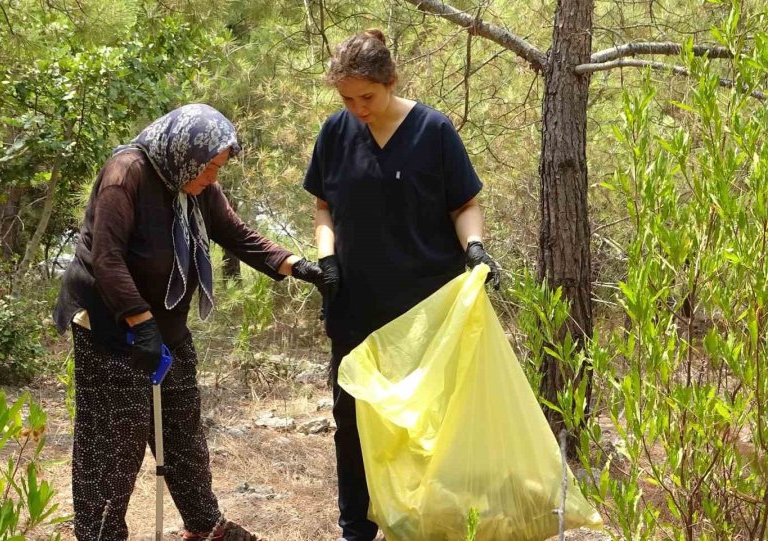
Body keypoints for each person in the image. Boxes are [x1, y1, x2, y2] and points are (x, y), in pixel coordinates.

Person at [53, 104, 325, 541]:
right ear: (187, 154)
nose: (213, 177)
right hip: (109, 326)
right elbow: (106, 258)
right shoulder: (127, 174)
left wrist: (300, 267)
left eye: (218, 168)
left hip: (165, 328)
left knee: (182, 432)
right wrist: (139, 322)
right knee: (114, 445)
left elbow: (237, 234)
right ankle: (100, 534)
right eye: (211, 167)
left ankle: (205, 527)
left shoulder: (194, 184)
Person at [302, 30, 501, 541]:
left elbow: (465, 205)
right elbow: (324, 206)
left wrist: (473, 248)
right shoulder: (335, 132)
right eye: (347, 99)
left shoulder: (432, 131)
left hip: (424, 311)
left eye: (366, 96)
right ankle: (357, 530)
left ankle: (424, 526)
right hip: (355, 309)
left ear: (391, 82)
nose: (357, 108)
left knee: (422, 428)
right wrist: (327, 261)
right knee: (355, 427)